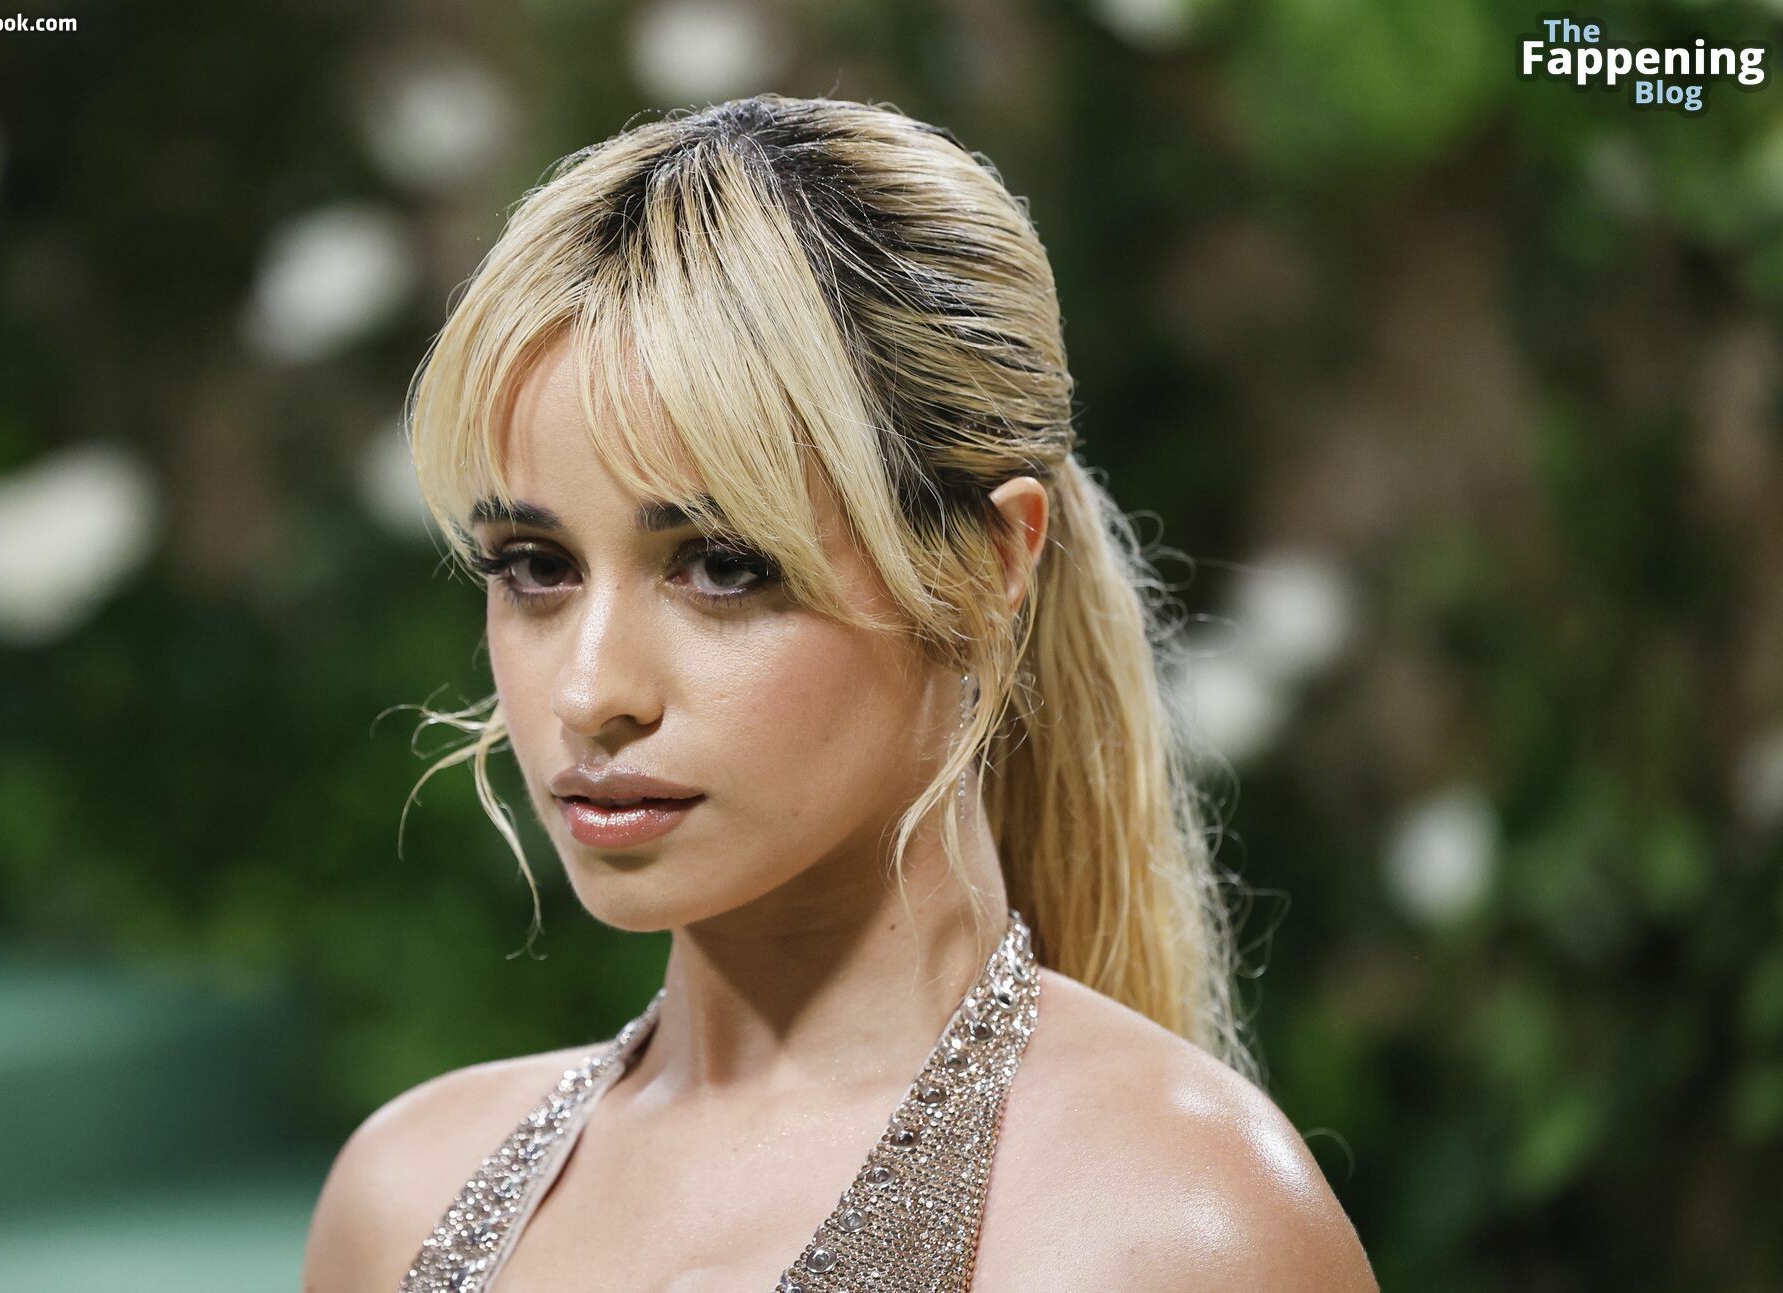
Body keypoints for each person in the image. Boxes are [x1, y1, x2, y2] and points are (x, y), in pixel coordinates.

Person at [303, 93, 1377, 1292]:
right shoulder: (400, 1198)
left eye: (722, 567)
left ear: (992, 563)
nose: (592, 692)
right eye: (535, 567)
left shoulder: (1173, 1233)